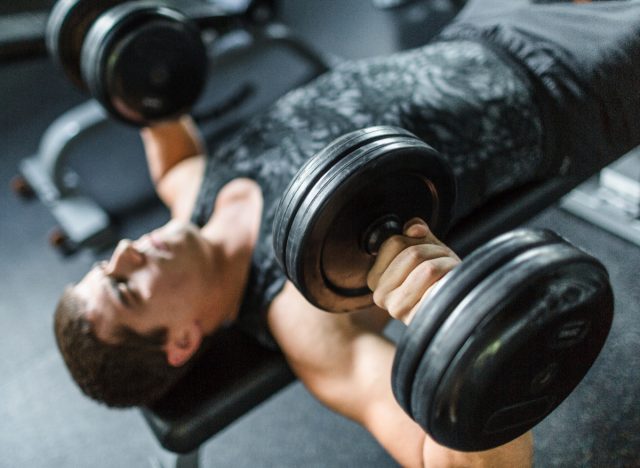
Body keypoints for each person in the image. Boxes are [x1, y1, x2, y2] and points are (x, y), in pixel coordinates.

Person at [53, 1, 640, 466]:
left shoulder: (189, 194)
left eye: (108, 264)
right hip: (569, 88)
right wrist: (465, 332)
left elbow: (158, 111)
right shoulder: (305, 316)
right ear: (180, 339)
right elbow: (441, 456)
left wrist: (127, 66)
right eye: (127, 289)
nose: (128, 252)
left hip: (474, 33)